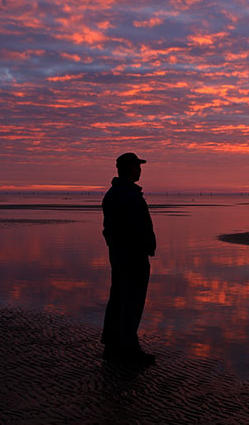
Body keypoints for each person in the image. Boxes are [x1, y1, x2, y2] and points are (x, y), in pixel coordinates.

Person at [101, 152, 157, 366]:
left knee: (119, 297)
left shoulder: (116, 193)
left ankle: (113, 344)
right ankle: (128, 348)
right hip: (132, 255)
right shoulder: (127, 195)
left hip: (121, 254)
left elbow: (111, 229)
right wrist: (144, 246)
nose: (140, 169)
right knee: (131, 300)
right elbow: (133, 228)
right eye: (137, 166)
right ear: (129, 168)